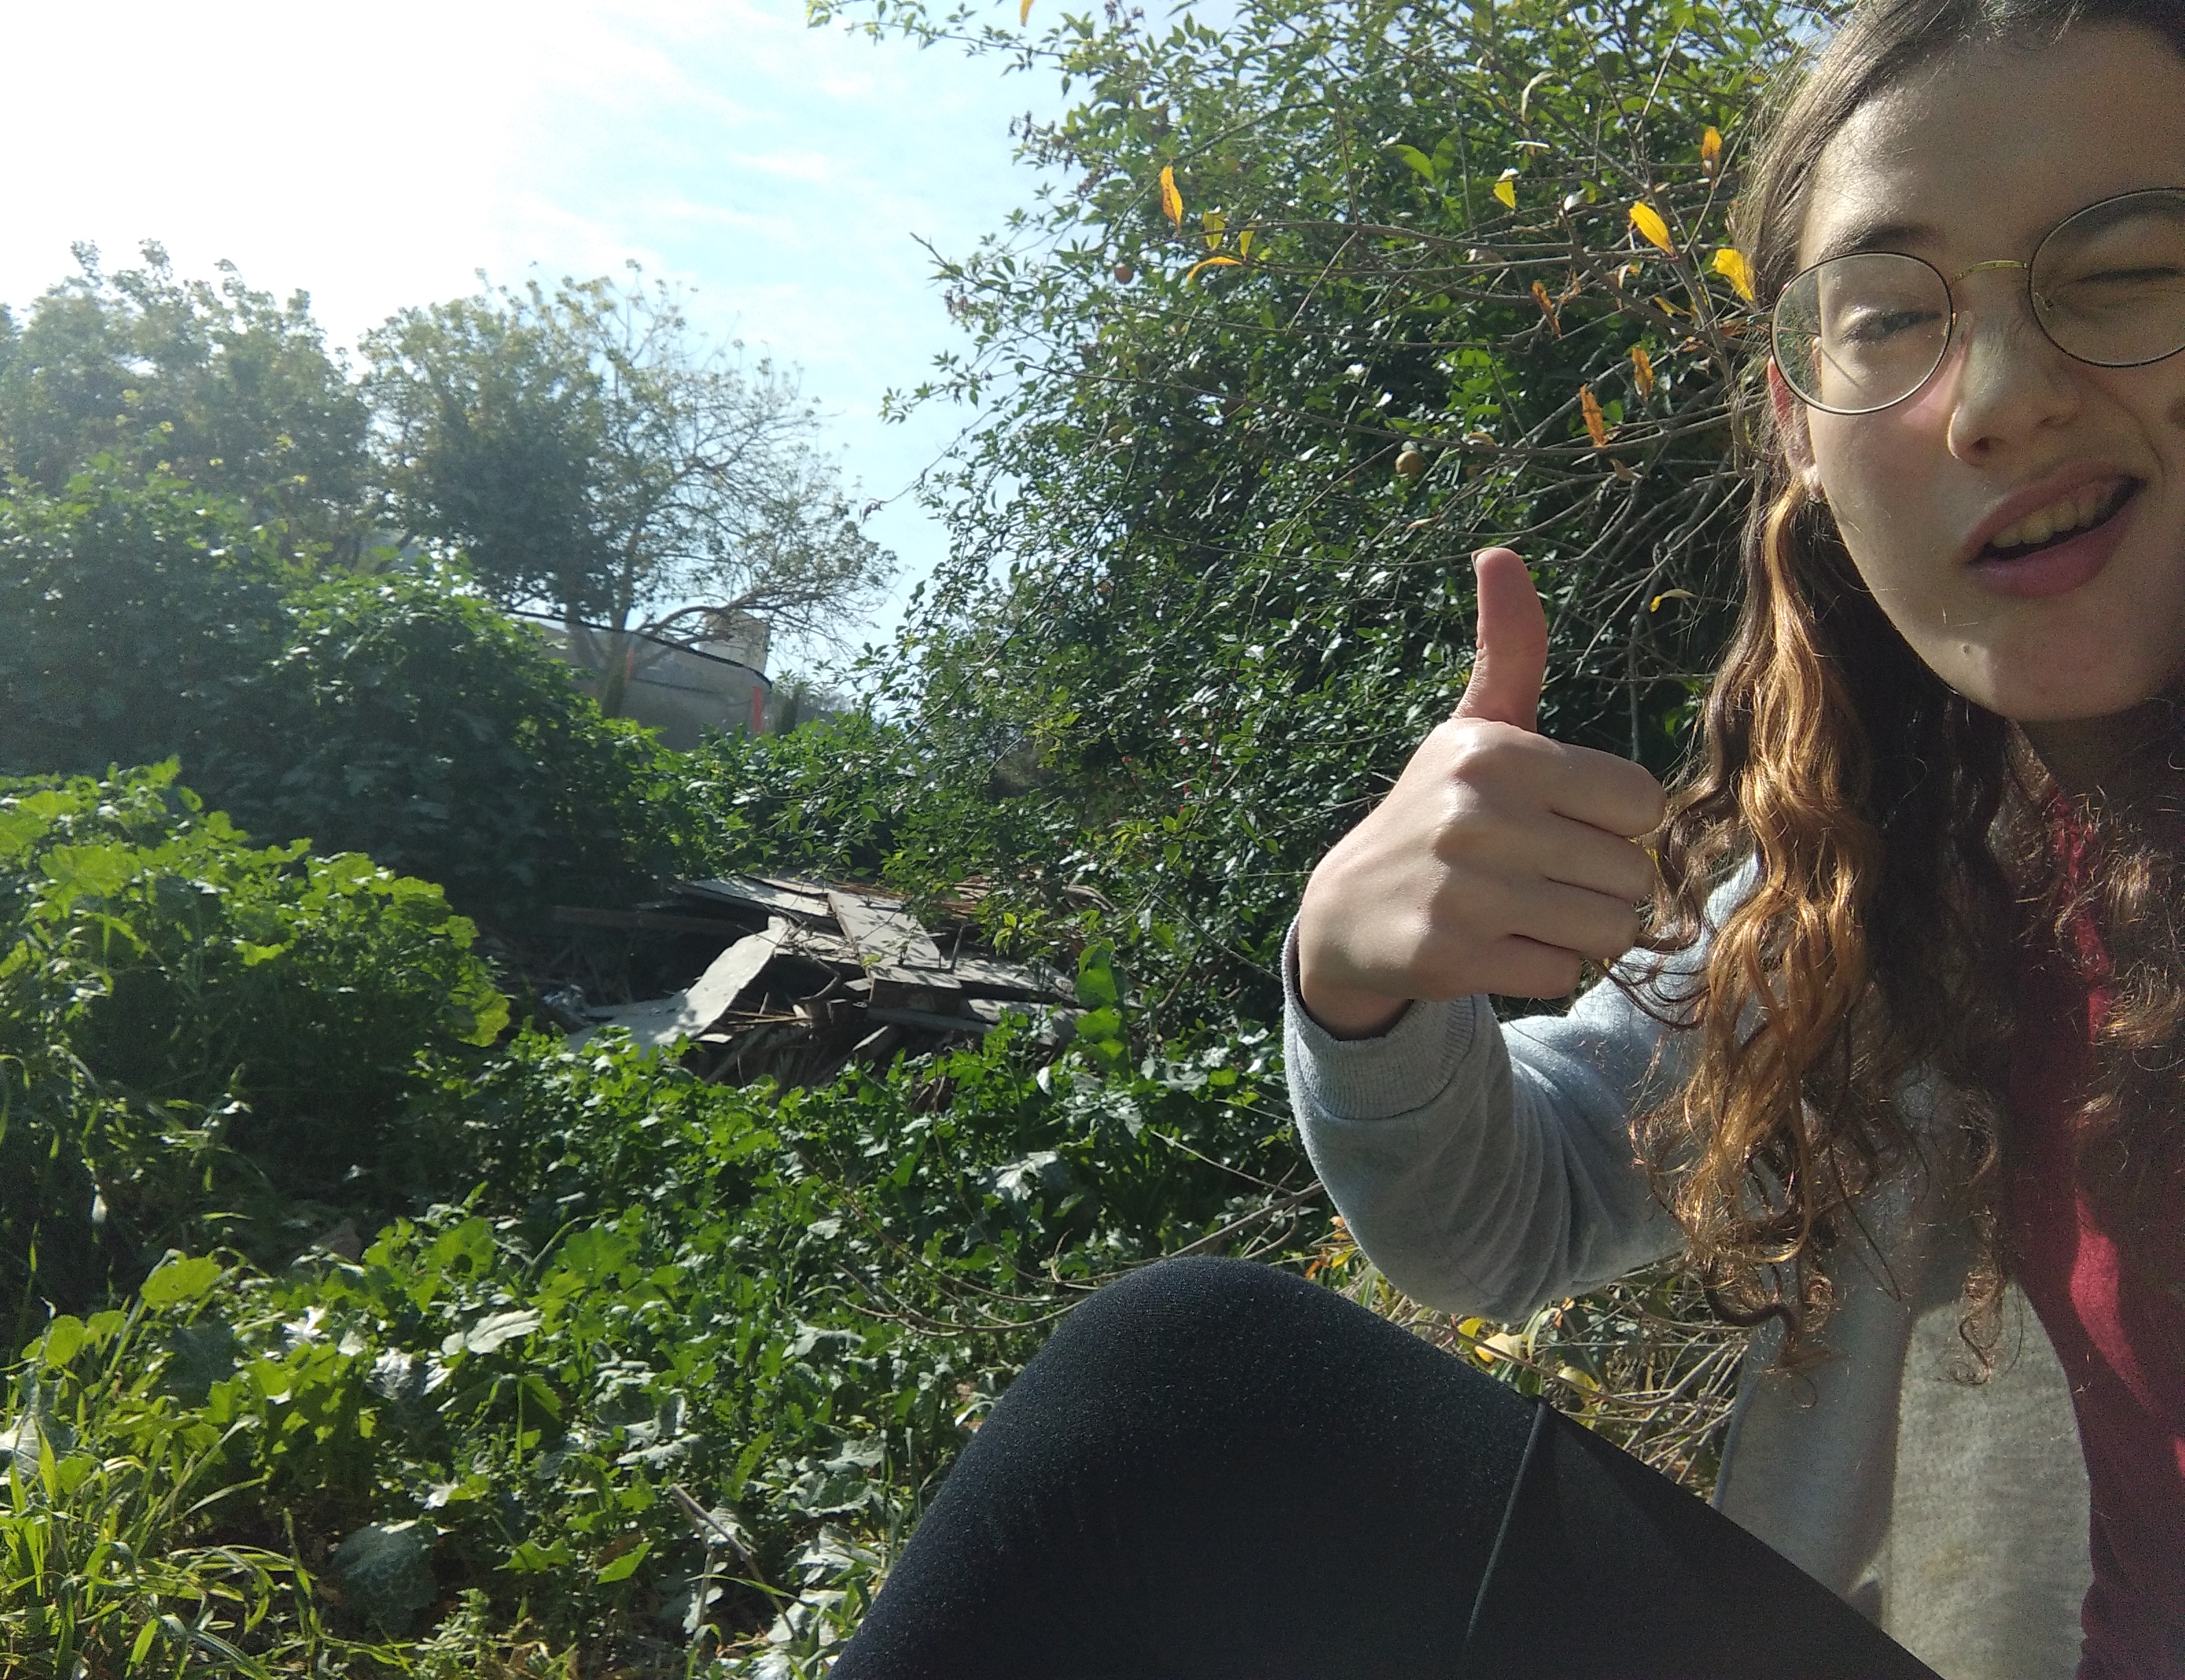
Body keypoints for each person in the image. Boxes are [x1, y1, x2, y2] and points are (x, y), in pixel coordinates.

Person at [831, 0, 2185, 1674]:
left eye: (2126, 273)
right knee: (1174, 1391)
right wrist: (1361, 979)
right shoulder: (1892, 869)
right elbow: (1514, 1213)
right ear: (1798, 428)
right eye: (1892, 316)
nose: (1998, 399)